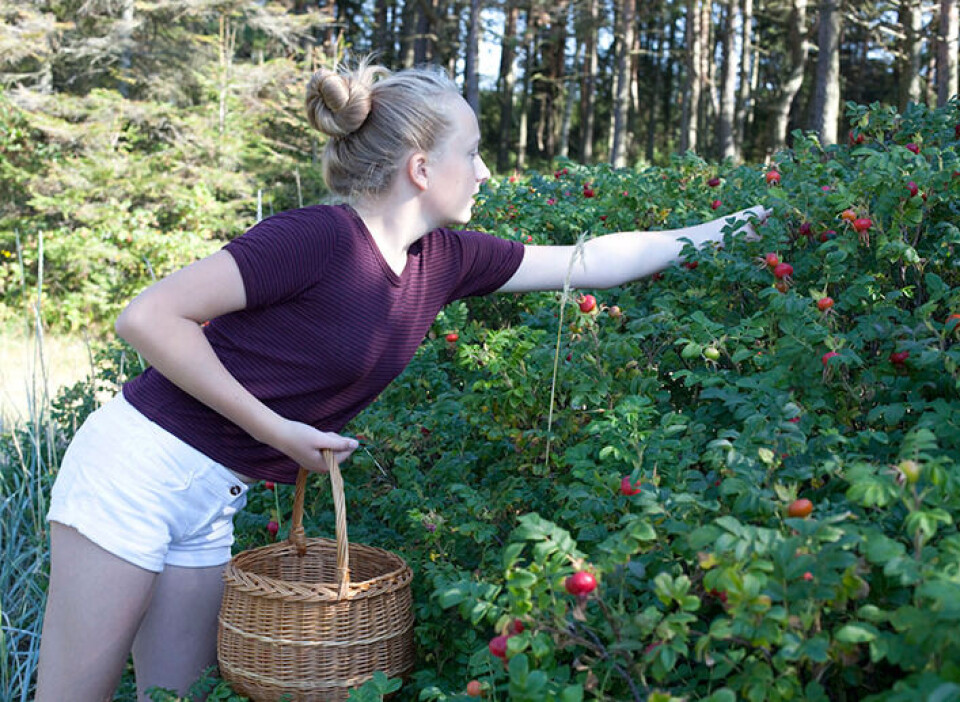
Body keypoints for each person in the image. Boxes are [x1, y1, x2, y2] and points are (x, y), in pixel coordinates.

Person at [35, 56, 769, 702]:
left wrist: (732, 228)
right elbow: (149, 317)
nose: (485, 171)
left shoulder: (444, 260)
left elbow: (592, 260)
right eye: (473, 153)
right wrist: (275, 430)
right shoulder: (315, 239)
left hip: (209, 500)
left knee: (179, 699)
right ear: (421, 167)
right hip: (135, 473)